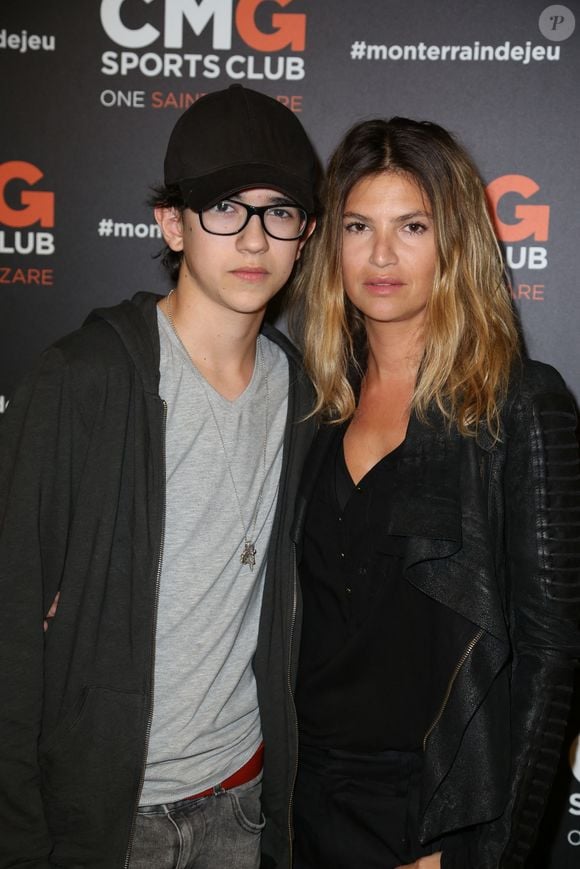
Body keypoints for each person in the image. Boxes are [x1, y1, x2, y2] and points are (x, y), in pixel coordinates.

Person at [0, 84, 319, 868]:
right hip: (110, 820)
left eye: (278, 210)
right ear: (171, 223)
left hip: (245, 804)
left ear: (305, 234)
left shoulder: (306, 392)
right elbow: (9, 630)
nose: (253, 238)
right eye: (224, 207)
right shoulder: (84, 378)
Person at [288, 117, 580, 869]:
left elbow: (552, 653)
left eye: (411, 225)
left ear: (454, 240)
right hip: (298, 801)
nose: (381, 255)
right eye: (359, 225)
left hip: (431, 811)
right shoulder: (310, 403)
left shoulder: (520, 404)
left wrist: (484, 845)